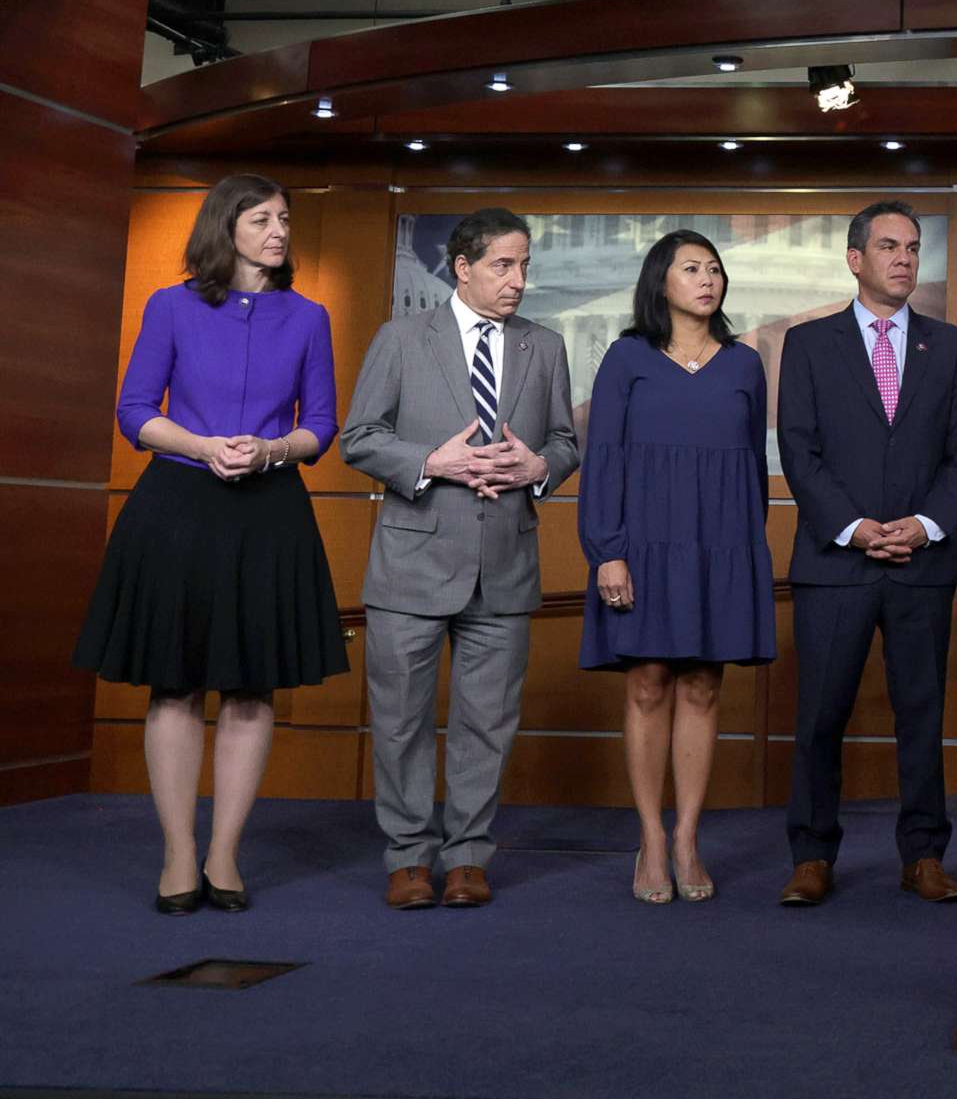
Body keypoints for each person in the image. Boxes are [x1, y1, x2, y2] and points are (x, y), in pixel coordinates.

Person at [74, 175, 347, 914]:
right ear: (226, 227)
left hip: (268, 510)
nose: (280, 231)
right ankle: (178, 852)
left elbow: (320, 424)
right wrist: (203, 445)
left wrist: (269, 451)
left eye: (285, 218)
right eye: (262, 219)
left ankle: (225, 852)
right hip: (178, 506)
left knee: (253, 686)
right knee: (175, 682)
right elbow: (135, 411)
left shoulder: (310, 316)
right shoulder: (170, 305)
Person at [342, 207, 580, 910]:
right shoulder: (402, 337)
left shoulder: (546, 345)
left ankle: (469, 853)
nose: (519, 280)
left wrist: (540, 464)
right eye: (504, 265)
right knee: (403, 719)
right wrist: (431, 461)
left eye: (526, 265)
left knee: (487, 721)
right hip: (411, 565)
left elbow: (566, 441)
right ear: (463, 266)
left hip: (505, 564)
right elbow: (359, 436)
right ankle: (410, 857)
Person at [776, 201, 957, 908]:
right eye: (889, 245)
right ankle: (811, 855)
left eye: (913, 247)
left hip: (922, 562)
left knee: (921, 715)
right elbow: (798, 450)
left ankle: (924, 854)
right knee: (820, 716)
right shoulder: (809, 345)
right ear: (855, 258)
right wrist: (856, 527)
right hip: (836, 563)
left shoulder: (950, 347)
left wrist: (925, 524)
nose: (903, 258)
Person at [579, 230, 776, 905]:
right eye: (691, 267)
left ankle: (688, 835)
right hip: (644, 543)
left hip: (721, 543)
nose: (707, 278)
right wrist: (608, 549)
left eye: (715, 268)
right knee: (648, 682)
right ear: (660, 280)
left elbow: (751, 465)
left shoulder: (745, 363)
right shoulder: (627, 357)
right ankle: (651, 838)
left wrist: (748, 554)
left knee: (702, 685)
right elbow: (602, 457)